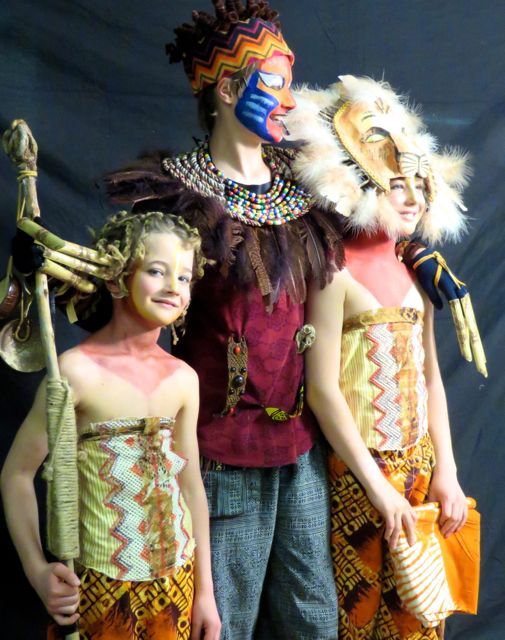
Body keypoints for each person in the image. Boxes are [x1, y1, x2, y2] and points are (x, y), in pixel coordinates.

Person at [105, 2, 343, 638]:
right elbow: (126, 316)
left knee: (316, 622)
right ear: (230, 89)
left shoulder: (309, 189)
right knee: (223, 624)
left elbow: (385, 214)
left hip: (300, 451)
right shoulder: (175, 198)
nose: (289, 100)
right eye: (275, 83)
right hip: (216, 456)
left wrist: (420, 253)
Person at [285, 75, 472, 638]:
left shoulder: (419, 277)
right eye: (397, 185)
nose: (413, 197)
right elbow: (323, 391)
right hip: (355, 474)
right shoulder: (334, 274)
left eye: (419, 185)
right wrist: (375, 484)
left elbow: (432, 380)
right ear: (362, 184)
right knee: (358, 614)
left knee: (419, 612)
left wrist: (447, 472)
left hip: (418, 470)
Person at [1, 210, 221, 640]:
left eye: (184, 277)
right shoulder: (77, 372)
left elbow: (191, 486)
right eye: (156, 271)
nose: (173, 287)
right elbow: (17, 474)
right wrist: (37, 570)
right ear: (118, 279)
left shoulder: (183, 379)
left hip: (177, 586)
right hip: (100, 592)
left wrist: (205, 594)